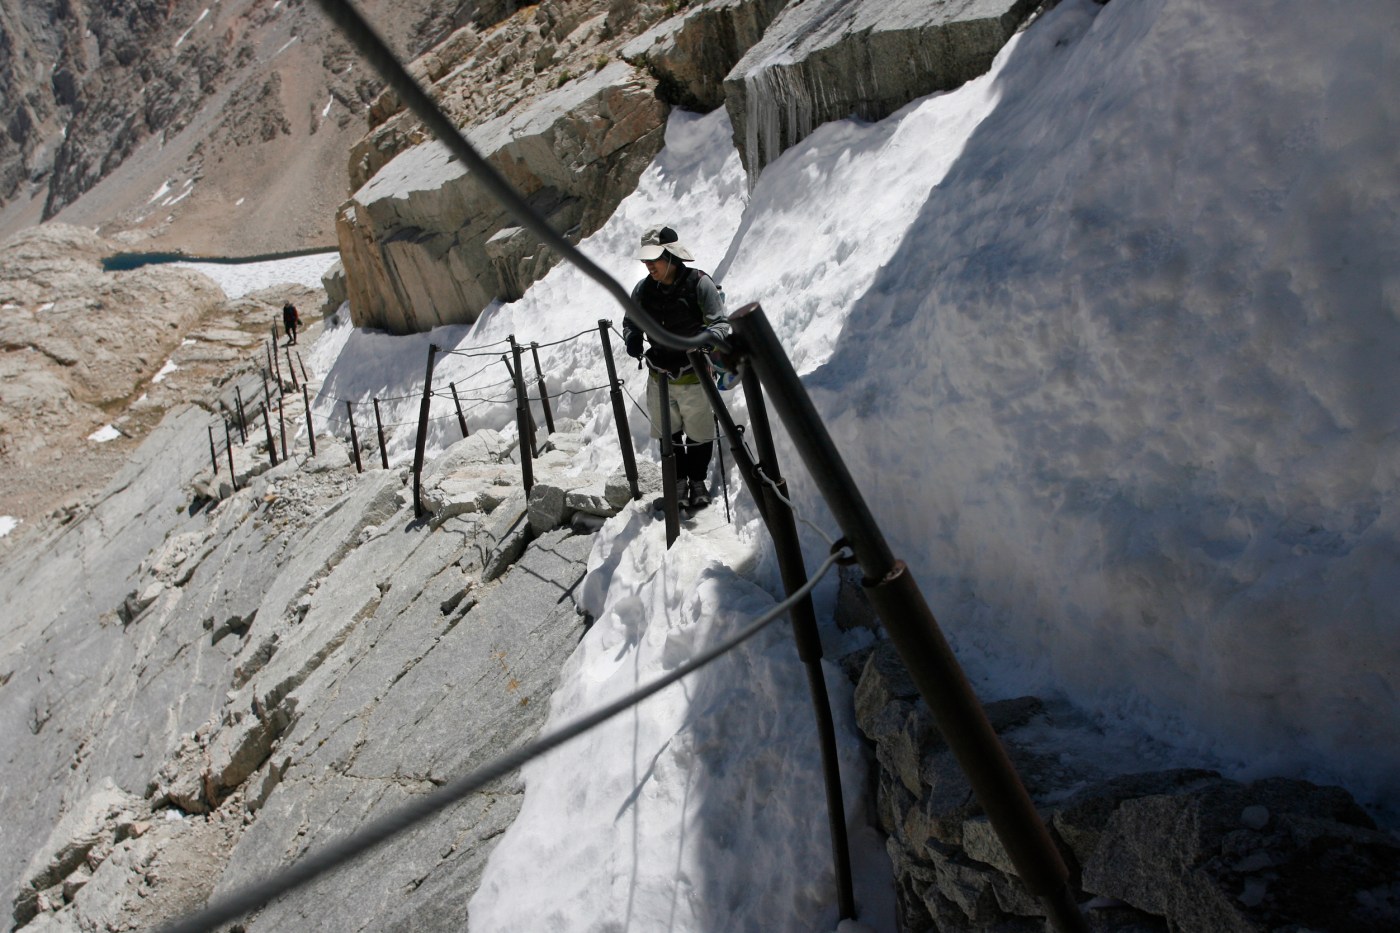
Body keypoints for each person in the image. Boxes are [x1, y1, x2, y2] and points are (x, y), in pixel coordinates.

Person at [622, 225, 728, 509]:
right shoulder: (643, 290)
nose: (648, 266)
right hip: (660, 376)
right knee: (669, 434)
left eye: (653, 260)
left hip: (694, 376)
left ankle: (697, 481)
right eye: (645, 261)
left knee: (699, 433)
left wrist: (707, 342)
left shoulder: (699, 284)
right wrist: (632, 337)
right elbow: (631, 320)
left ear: (670, 256)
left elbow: (720, 323)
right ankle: (678, 482)